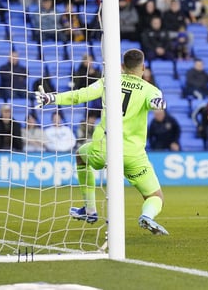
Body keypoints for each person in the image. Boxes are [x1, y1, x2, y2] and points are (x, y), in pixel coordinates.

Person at [36, 49, 170, 235]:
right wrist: (158, 103)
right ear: (144, 68)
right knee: (155, 196)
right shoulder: (151, 90)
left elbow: (80, 95)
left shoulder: (109, 81)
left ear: (122, 66)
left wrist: (52, 98)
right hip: (132, 155)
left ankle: (90, 209)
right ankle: (147, 216)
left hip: (103, 148)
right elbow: (155, 102)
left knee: (81, 156)